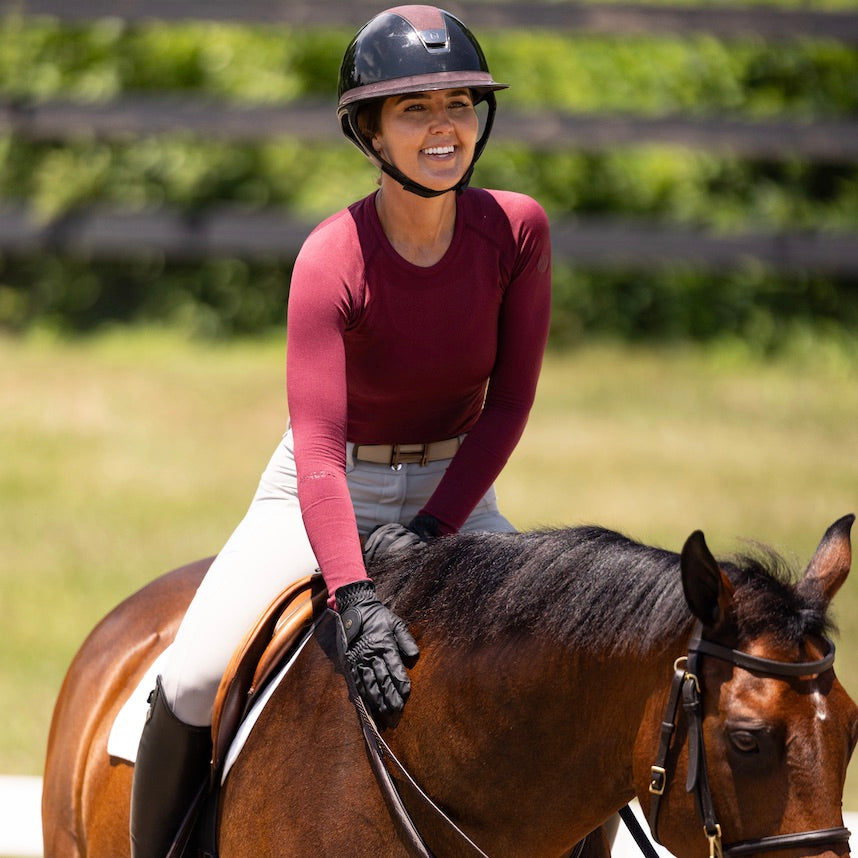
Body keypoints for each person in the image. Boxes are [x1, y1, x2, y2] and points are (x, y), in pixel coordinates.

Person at [129, 6, 552, 857]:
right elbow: (318, 448)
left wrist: (434, 529)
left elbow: (506, 406)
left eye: (460, 104)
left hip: (456, 494)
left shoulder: (517, 231)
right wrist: (355, 597)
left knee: (546, 675)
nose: (445, 127)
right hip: (321, 488)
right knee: (192, 677)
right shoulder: (331, 258)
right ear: (369, 131)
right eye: (415, 109)